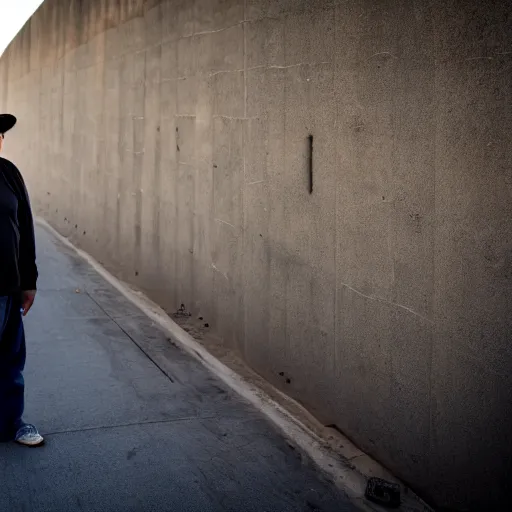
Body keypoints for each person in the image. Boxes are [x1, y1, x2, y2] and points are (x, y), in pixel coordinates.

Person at [0, 113, 43, 446]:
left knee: (11, 362)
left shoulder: (8, 173)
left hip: (9, 289)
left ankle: (12, 423)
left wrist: (29, 282)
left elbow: (25, 228)